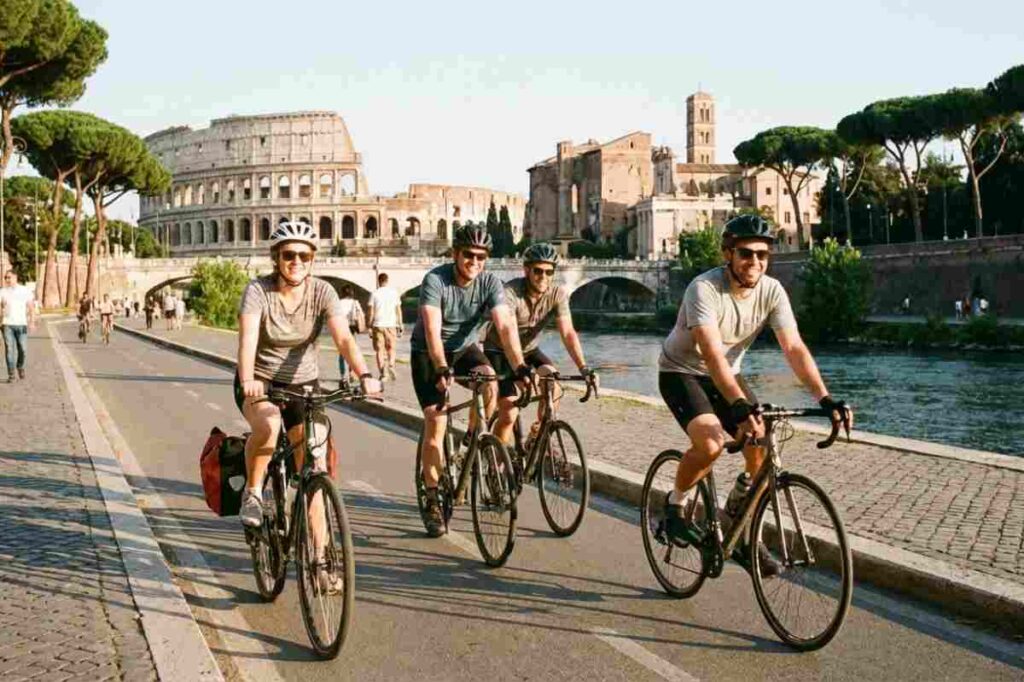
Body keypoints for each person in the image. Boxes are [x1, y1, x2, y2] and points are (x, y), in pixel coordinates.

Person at [657, 214, 852, 578]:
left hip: (727, 375)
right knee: (711, 445)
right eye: (746, 254)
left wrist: (825, 398)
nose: (755, 262)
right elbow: (711, 355)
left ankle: (743, 529)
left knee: (760, 446)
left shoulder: (772, 291)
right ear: (727, 254)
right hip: (682, 372)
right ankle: (675, 507)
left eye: (763, 255)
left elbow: (793, 346)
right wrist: (739, 404)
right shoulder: (704, 289)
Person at [235, 221, 381, 530]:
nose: (297, 262)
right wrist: (248, 379)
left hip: (304, 384)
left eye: (304, 256)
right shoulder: (258, 290)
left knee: (315, 463)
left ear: (313, 259)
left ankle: (320, 562)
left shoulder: (323, 291)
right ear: (276, 257)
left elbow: (344, 338)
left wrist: (365, 374)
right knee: (271, 425)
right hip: (261, 380)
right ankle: (253, 493)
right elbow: (247, 340)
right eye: (289, 255)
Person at [410, 224, 531, 538]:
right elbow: (432, 330)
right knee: (436, 423)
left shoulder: (491, 283)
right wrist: (439, 366)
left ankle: (471, 440)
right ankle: (434, 497)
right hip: (428, 353)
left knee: (490, 379)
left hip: (464, 349)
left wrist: (520, 366)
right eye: (468, 255)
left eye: (481, 256)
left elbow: (505, 328)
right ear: (455, 254)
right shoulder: (436, 280)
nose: (474, 262)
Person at [485, 242, 598, 449]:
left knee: (553, 385)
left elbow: (568, 333)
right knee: (509, 412)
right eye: (537, 271)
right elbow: (508, 331)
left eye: (549, 272)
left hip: (529, 350)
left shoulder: (557, 294)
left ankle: (536, 435)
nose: (543, 277)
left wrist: (584, 368)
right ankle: (496, 466)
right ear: (526, 270)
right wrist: (520, 368)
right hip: (500, 351)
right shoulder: (510, 292)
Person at [0, 270, 37, 382]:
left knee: (23, 349)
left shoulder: (24, 291)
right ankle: (11, 375)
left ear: (15, 277)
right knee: (9, 350)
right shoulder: (2, 291)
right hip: (7, 324)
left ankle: (20, 366)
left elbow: (31, 307)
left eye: (9, 277)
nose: (7, 280)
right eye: (5, 277)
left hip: (21, 324)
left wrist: (32, 322)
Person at [368, 272, 403, 382]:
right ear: (387, 281)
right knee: (391, 348)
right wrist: (400, 324)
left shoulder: (374, 294)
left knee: (379, 350)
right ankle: (391, 365)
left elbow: (371, 312)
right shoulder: (394, 293)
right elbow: (398, 310)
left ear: (378, 281)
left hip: (378, 324)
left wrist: (369, 325)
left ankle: (383, 373)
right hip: (391, 324)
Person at [335, 285, 364, 388]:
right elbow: (360, 315)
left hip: (341, 328)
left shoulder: (338, 303)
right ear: (351, 293)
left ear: (342, 293)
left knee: (342, 353)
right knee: (352, 351)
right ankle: (352, 373)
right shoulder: (355, 302)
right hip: (352, 329)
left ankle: (343, 376)